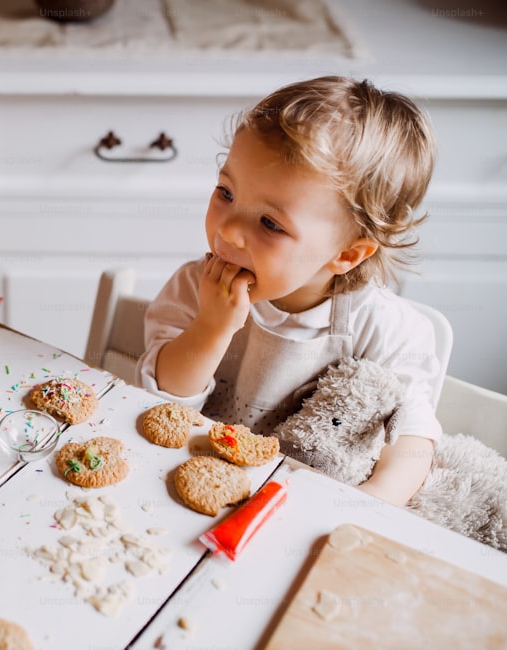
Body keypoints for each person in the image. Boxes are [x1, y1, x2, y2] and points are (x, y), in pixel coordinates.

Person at [138, 76, 442, 507]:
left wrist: (368, 505)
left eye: (270, 224)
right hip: (178, 487)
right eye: (226, 192)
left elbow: (412, 443)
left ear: (347, 254)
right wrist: (211, 327)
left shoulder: (388, 330)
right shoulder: (194, 285)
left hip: (305, 506)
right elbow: (160, 404)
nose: (227, 230)